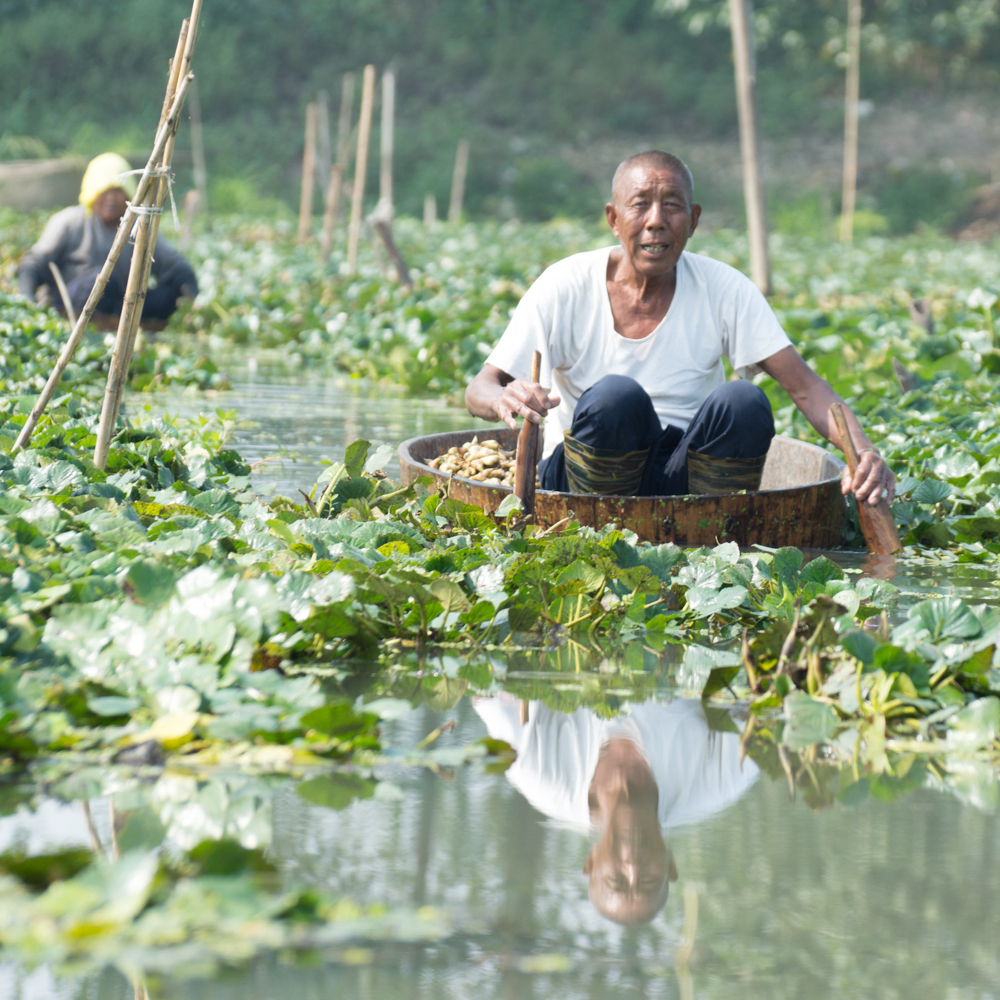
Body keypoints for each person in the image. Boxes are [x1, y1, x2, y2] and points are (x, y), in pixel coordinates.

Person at [465, 150, 895, 503]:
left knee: (743, 401)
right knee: (617, 397)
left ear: (693, 220)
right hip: (587, 475)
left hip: (687, 482)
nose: (656, 220)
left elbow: (805, 387)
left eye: (672, 206)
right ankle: (600, 531)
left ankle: (709, 528)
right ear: (614, 220)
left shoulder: (725, 288)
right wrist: (507, 397)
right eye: (640, 205)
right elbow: (480, 388)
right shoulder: (565, 285)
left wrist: (863, 451)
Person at [473, 694, 758, 925]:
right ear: (670, 865)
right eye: (648, 881)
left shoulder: (538, 775)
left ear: (591, 862)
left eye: (616, 879)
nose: (633, 867)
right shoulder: (722, 778)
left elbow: (487, 690)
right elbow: (766, 695)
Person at [17, 152, 197, 321]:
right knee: (101, 280)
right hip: (74, 302)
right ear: (91, 192)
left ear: (129, 194)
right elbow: (34, 263)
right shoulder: (70, 221)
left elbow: (175, 266)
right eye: (104, 191)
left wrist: (192, 294)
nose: (111, 198)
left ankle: (120, 325)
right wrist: (28, 301)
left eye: (118, 191)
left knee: (167, 295)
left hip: (121, 306)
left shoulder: (139, 228)